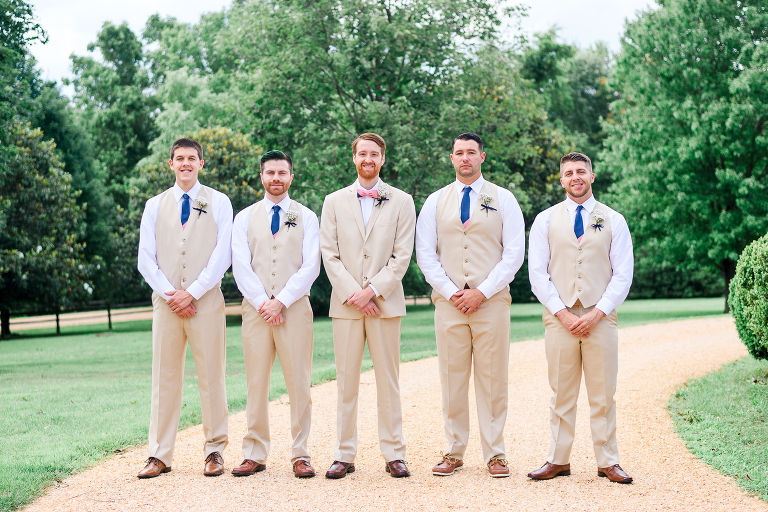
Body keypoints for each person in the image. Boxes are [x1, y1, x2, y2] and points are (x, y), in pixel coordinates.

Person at [415, 132, 525, 478]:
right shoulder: (435, 201)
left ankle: (495, 453)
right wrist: (451, 292)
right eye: (459, 153)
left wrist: (482, 291)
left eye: (471, 153)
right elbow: (425, 254)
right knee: (452, 378)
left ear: (482, 157)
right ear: (451, 158)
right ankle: (453, 450)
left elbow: (513, 253)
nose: (465, 158)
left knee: (493, 379)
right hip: (449, 304)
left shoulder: (504, 198)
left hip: (491, 303)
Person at [527, 152, 634, 484]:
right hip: (559, 319)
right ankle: (558, 460)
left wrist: (597, 312)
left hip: (601, 318)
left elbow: (623, 273)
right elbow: (537, 273)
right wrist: (561, 312)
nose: (575, 177)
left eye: (581, 172)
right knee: (561, 391)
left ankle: (608, 460)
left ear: (591, 176)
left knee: (603, 393)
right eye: (569, 173)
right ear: (561, 180)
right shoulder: (544, 220)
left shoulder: (613, 219)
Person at [319, 133, 416, 479]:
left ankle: (394, 453)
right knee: (346, 381)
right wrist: (353, 293)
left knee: (388, 380)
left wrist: (372, 290)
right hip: (345, 306)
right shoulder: (332, 201)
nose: (368, 158)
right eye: (362, 153)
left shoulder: (402, 201)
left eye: (374, 153)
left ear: (382, 158)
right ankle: (344, 454)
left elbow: (402, 255)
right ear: (354, 157)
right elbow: (328, 254)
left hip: (385, 304)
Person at [136, 138, 233, 478]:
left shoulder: (219, 202)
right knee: (164, 378)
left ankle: (215, 451)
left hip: (206, 301)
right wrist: (170, 294)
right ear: (171, 164)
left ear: (201, 164)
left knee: (212, 377)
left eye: (192, 158)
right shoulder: (154, 205)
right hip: (165, 305)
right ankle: (159, 454)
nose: (186, 163)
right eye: (180, 158)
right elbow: (145, 258)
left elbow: (223, 255)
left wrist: (190, 292)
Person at [230, 150, 320, 478]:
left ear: (291, 177)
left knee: (299, 382)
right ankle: (254, 452)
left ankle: (301, 453)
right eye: (270, 173)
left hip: (294, 308)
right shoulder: (243, 218)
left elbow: (311, 265)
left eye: (282, 173)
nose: (276, 178)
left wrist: (280, 300)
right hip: (255, 311)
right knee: (256, 383)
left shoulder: (307, 216)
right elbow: (240, 265)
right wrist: (262, 302)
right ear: (261, 176)